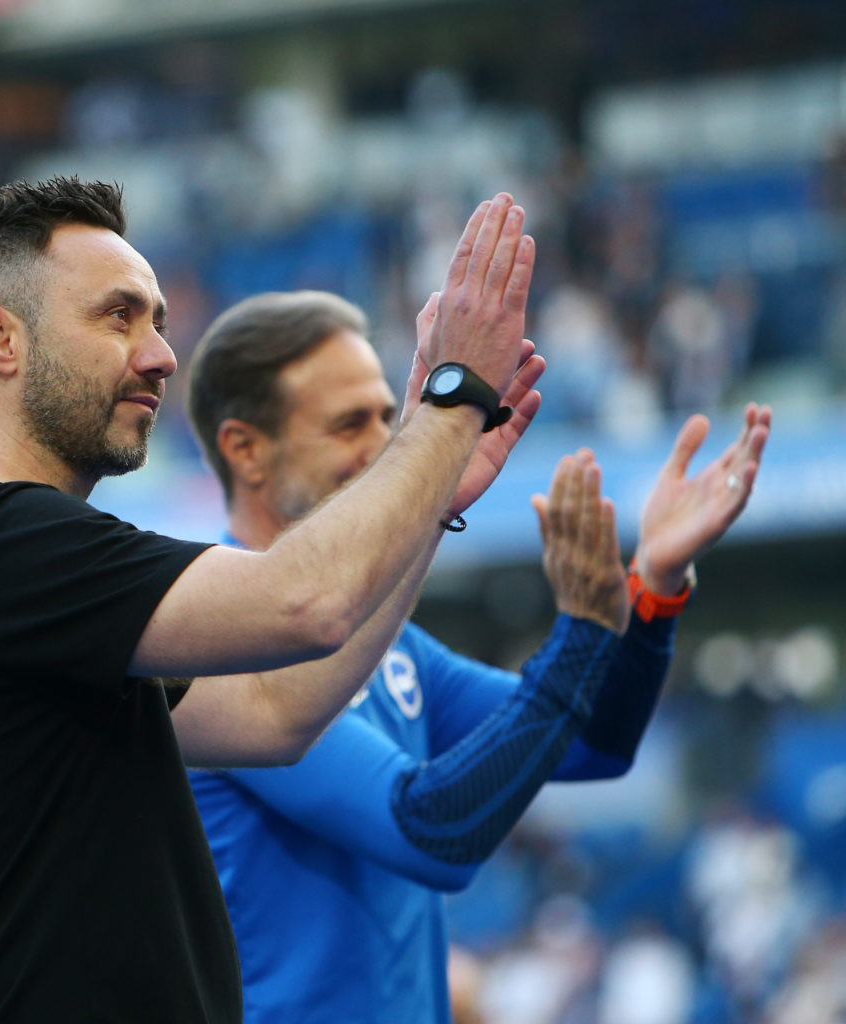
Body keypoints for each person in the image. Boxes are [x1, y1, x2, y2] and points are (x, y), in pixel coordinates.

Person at [0, 177, 545, 1024]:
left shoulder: (16, 570)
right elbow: (306, 603)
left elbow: (274, 711)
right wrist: (448, 400)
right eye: (117, 316)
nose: (160, 355)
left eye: (158, 321)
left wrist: (431, 501)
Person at [183, 289, 771, 1024]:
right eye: (346, 425)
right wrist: (582, 630)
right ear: (245, 449)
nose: (382, 449)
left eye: (385, 417)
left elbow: (593, 742)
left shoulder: (391, 648)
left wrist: (652, 589)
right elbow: (431, 831)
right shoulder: (222, 640)